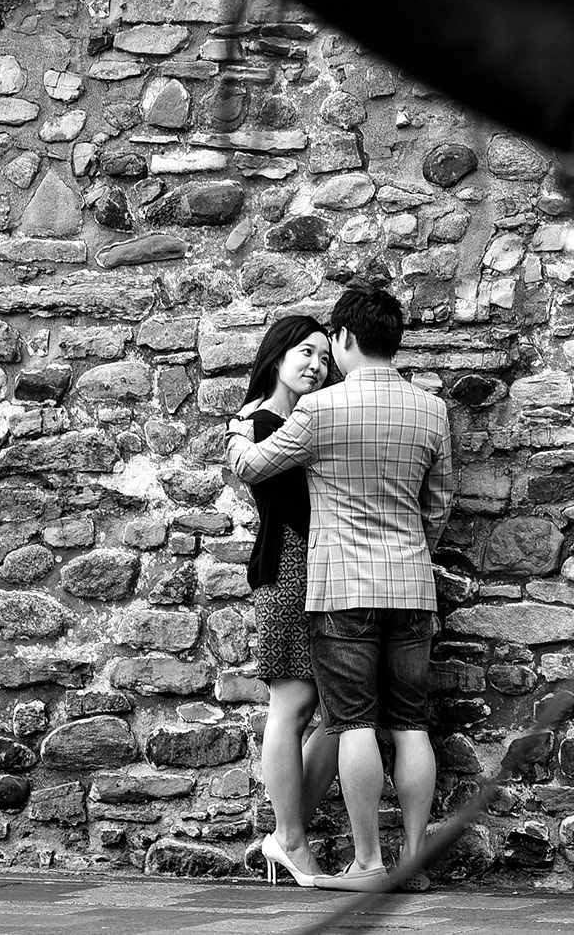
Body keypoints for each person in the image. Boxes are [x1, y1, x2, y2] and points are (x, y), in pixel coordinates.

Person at [227, 279, 451, 892]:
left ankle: (370, 865)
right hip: (411, 586)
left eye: (331, 346)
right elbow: (439, 506)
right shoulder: (431, 410)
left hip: (343, 588)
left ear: (347, 337)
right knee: (409, 724)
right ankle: (413, 866)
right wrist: (412, 553)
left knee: (353, 723)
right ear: (395, 342)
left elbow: (251, 465)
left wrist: (237, 430)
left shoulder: (319, 410)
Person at [232, 314, 343, 886]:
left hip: (315, 575)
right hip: (287, 572)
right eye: (305, 352)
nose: (316, 366)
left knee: (339, 712)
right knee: (294, 706)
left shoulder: (291, 420)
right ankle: (293, 840)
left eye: (324, 358)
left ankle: (287, 834)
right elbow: (292, 506)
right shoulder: (264, 424)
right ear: (276, 356)